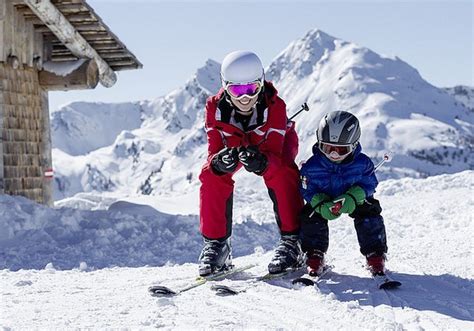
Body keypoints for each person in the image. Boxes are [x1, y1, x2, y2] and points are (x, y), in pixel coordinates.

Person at [198, 50, 304, 276]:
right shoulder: (213, 108)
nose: (245, 97)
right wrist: (218, 162)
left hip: (268, 142)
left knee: (283, 172)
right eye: (237, 90)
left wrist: (262, 162)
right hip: (234, 139)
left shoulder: (276, 106)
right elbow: (213, 150)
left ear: (261, 84)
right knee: (211, 174)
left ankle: (293, 241)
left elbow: (275, 151)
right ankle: (217, 245)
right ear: (225, 87)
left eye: (251, 89)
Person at [299, 110, 389, 276]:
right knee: (309, 216)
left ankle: (375, 254)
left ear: (353, 146)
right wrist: (319, 202)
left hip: (353, 199)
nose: (333, 155)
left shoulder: (362, 163)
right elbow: (306, 188)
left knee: (370, 211)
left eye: (341, 150)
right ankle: (314, 254)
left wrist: (355, 196)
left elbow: (370, 182)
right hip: (324, 200)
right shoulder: (311, 167)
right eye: (327, 148)